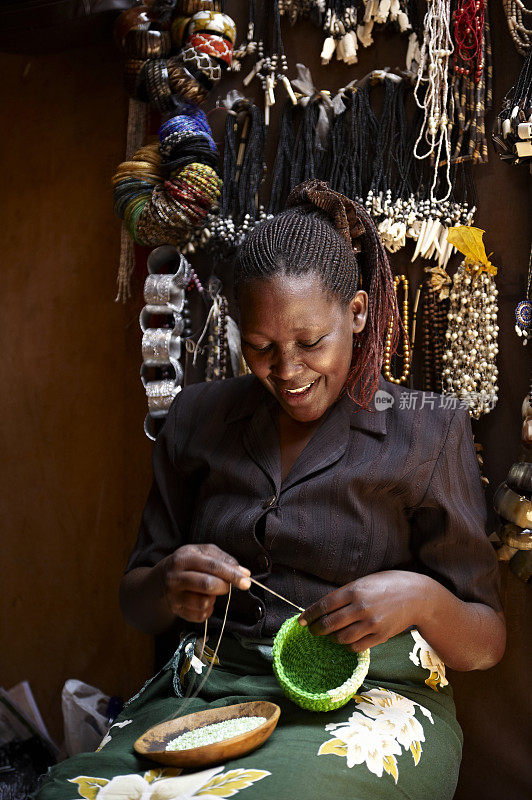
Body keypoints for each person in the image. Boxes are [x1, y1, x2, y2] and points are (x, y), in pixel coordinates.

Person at [36, 181, 505, 800]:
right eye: (261, 348)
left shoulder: (425, 428)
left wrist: (420, 599)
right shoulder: (197, 419)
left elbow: (486, 640)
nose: (287, 372)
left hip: (366, 707)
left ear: (358, 313)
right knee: (69, 794)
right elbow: (137, 603)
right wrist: (168, 582)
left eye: (311, 343)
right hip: (209, 695)